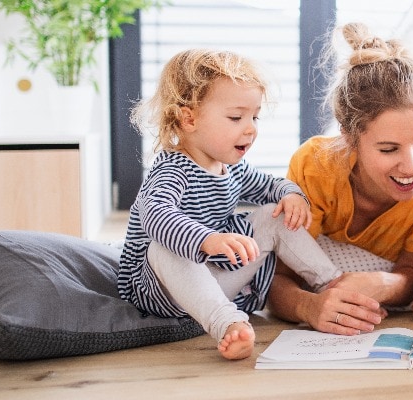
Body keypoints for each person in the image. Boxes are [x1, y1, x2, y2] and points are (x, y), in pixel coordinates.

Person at [117, 49, 342, 360]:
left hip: (216, 280)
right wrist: (206, 240)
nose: (250, 128)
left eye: (255, 116)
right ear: (189, 118)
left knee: (271, 214)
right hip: (163, 290)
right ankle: (227, 323)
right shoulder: (172, 171)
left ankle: (332, 282)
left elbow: (271, 185)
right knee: (162, 246)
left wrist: (292, 195)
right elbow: (154, 216)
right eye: (236, 117)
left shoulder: (232, 169)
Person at [266, 22, 413, 336]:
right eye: (388, 149)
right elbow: (277, 278)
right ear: (350, 138)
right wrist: (309, 307)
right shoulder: (316, 167)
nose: (411, 166)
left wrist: (385, 283)